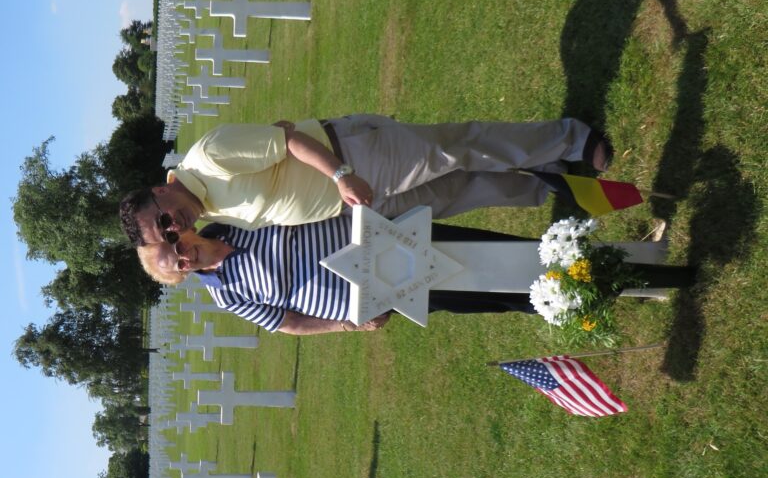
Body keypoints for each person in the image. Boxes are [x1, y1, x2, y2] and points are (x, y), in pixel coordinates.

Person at [137, 219, 694, 337]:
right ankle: (594, 295)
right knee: (494, 296)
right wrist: (347, 327)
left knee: (494, 249)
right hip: (384, 291)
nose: (183, 258)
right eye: (176, 268)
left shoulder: (233, 220)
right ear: (182, 278)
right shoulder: (226, 292)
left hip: (388, 238)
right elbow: (285, 322)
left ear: (178, 233)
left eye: (175, 248)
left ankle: (615, 261)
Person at [120, 116, 612, 246]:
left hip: (354, 161)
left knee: (459, 148)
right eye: (165, 234)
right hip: (358, 202)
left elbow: (287, 140)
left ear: (160, 189)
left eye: (161, 219)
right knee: (463, 192)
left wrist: (340, 175)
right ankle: (556, 185)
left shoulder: (207, 158)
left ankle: (572, 140)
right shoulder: (209, 213)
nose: (172, 227)